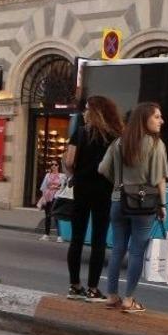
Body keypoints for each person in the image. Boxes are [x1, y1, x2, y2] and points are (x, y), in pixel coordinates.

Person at [99, 102, 168, 313]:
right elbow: (159, 179)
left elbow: (102, 169)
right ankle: (129, 300)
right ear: (144, 119)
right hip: (143, 204)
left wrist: (120, 183)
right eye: (157, 117)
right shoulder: (156, 145)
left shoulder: (119, 143)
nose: (161, 121)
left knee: (118, 248)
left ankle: (111, 296)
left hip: (118, 200)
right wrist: (163, 205)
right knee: (137, 252)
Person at [64, 95, 122, 302]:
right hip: (104, 191)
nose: (85, 113)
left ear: (94, 112)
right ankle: (92, 289)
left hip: (81, 189)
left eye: (88, 109)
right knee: (99, 240)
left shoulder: (79, 133)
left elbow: (69, 161)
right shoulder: (115, 135)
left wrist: (75, 175)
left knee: (77, 238)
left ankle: (74, 286)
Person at [36, 163, 66, 242]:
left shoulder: (62, 176)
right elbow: (44, 187)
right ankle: (46, 235)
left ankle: (59, 236)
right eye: (52, 164)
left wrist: (56, 187)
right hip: (48, 196)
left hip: (56, 196)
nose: (53, 166)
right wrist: (44, 198)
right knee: (48, 216)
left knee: (56, 216)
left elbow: (63, 187)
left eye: (55, 164)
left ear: (58, 166)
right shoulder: (47, 175)